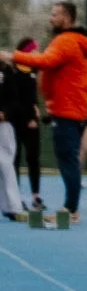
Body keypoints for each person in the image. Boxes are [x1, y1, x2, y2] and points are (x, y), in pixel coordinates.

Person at [0, 1, 87, 224]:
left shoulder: (66, 40)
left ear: (67, 18)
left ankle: (71, 209)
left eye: (54, 14)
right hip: (74, 107)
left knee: (67, 160)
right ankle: (71, 207)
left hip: (67, 109)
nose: (50, 18)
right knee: (68, 158)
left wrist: (11, 56)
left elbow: (45, 61)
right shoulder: (81, 42)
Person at [11, 38, 42, 210]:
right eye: (34, 50)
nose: (37, 52)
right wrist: (28, 117)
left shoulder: (33, 71)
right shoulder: (13, 71)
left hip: (32, 123)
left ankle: (36, 197)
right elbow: (15, 100)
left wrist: (35, 114)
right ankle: (15, 197)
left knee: (33, 159)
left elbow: (32, 97)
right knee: (15, 159)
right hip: (17, 122)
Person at [0, 59, 24, 220]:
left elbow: (15, 99)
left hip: (3, 125)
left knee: (5, 163)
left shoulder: (6, 70)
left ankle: (12, 206)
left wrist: (5, 113)